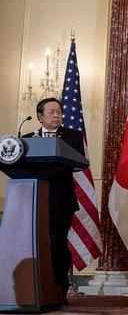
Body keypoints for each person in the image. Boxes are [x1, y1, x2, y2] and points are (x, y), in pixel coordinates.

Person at [22, 97, 86, 306]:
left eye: (58, 111)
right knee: (36, 244)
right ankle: (35, 287)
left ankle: (59, 288)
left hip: (61, 199)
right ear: (40, 116)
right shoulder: (27, 139)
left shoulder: (73, 136)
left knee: (57, 243)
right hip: (34, 199)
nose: (56, 115)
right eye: (51, 112)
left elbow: (76, 163)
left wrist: (43, 172)